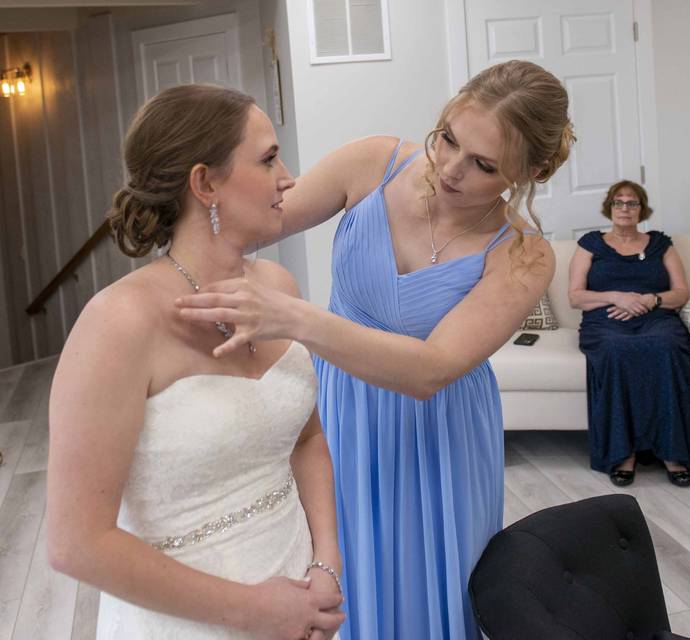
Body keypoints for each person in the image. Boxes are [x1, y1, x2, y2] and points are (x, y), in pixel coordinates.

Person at [174, 60, 573, 639]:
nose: (451, 169)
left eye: (484, 165)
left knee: (434, 592)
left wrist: (294, 317)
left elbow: (430, 370)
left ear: (531, 170)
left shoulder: (524, 255)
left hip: (440, 434)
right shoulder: (375, 163)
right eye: (448, 139)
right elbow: (257, 221)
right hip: (343, 413)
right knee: (341, 574)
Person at [46, 84, 345, 640]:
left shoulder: (278, 286)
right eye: (268, 158)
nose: (289, 177)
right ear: (205, 183)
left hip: (300, 595)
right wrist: (256, 611)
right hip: (186, 620)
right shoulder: (117, 324)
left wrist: (327, 563)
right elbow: (75, 544)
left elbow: (306, 441)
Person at [568, 180, 690, 488]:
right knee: (617, 350)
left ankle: (672, 452)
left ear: (641, 209)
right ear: (609, 208)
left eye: (632, 203)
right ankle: (623, 453)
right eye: (619, 202)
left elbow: (680, 292)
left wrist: (650, 299)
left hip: (655, 316)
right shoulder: (590, 244)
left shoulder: (661, 244)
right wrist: (617, 296)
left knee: (667, 346)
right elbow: (575, 297)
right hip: (606, 319)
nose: (625, 208)